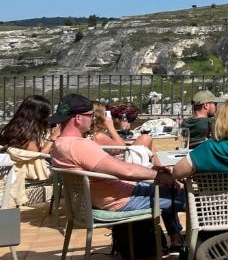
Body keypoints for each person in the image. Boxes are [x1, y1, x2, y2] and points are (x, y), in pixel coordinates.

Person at [50, 93, 184, 248]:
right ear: (78, 118)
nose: (92, 119)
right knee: (185, 196)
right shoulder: (80, 146)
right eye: (90, 115)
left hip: (100, 200)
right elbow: (127, 171)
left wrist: (158, 175)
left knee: (166, 188)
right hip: (120, 201)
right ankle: (202, 241)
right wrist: (161, 176)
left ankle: (177, 238)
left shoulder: (59, 145)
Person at [0, 95, 56, 204]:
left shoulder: (12, 128)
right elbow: (39, 155)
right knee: (63, 173)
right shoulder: (28, 135)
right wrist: (53, 138)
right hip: (23, 170)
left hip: (8, 168)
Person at [89, 102, 155, 165]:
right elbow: (121, 148)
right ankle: (160, 170)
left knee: (149, 144)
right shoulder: (98, 136)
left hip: (116, 161)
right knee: (145, 138)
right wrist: (111, 127)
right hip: (122, 166)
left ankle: (160, 168)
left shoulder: (91, 135)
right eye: (104, 114)